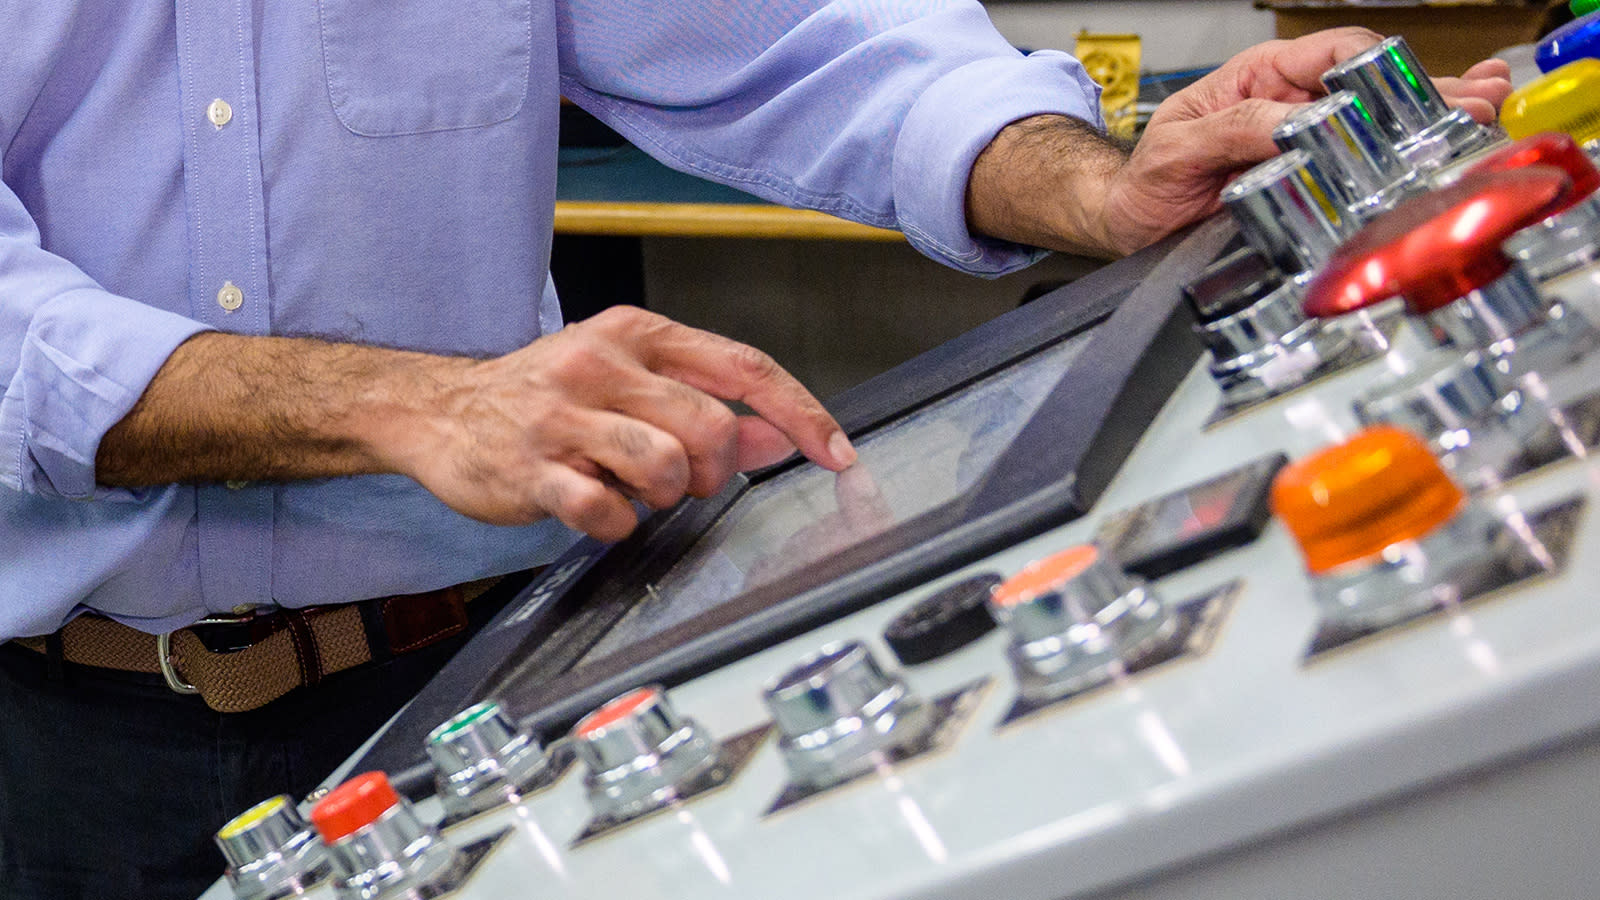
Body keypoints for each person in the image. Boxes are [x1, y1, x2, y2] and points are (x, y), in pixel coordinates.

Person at [0, 0, 1510, 895]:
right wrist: (405, 401)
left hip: (473, 687)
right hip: (73, 742)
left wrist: (1101, 186)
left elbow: (808, 44)